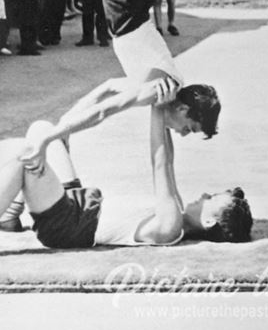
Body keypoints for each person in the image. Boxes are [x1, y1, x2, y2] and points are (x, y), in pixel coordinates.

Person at [0, 105, 250, 248]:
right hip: (76, 204)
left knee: (25, 156)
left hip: (68, 227)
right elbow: (170, 160)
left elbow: (160, 163)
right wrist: (169, 115)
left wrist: (158, 106)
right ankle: (9, 218)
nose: (205, 194)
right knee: (42, 130)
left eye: (212, 199)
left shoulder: (170, 226)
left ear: (209, 222)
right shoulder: (176, 211)